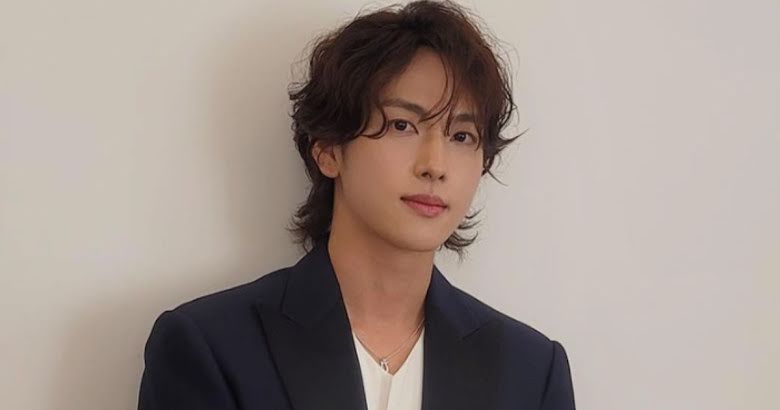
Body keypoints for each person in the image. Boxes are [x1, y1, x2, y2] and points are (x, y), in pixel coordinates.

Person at [137, 1, 576, 409]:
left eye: (462, 136)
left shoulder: (531, 371)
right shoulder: (211, 347)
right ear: (328, 149)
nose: (435, 165)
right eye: (402, 125)